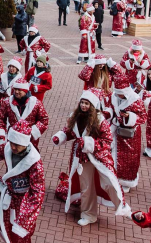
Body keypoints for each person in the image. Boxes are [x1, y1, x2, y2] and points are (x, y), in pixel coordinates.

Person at [51, 92, 131, 225]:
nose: (83, 105)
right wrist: (60, 137)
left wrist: (89, 143)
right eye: (82, 102)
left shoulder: (100, 121)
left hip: (98, 157)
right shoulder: (75, 117)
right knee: (86, 186)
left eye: (86, 103)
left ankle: (122, 206)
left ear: (92, 105)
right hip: (81, 158)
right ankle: (88, 214)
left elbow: (107, 140)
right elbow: (69, 131)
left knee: (108, 182)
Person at [107, 72, 148, 192]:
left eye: (121, 94)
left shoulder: (136, 100)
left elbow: (143, 117)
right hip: (116, 131)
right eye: (118, 94)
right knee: (113, 154)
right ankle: (114, 178)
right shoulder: (114, 96)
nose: (119, 96)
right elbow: (110, 109)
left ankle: (127, 182)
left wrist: (129, 116)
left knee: (130, 158)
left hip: (130, 135)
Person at [0, 76, 48, 150]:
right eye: (15, 89)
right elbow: (0, 119)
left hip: (30, 141)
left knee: (30, 159)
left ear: (25, 91)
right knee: (11, 159)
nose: (16, 92)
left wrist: (31, 133)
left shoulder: (36, 103)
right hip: (12, 139)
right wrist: (1, 133)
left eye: (19, 90)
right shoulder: (7, 102)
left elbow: (44, 120)